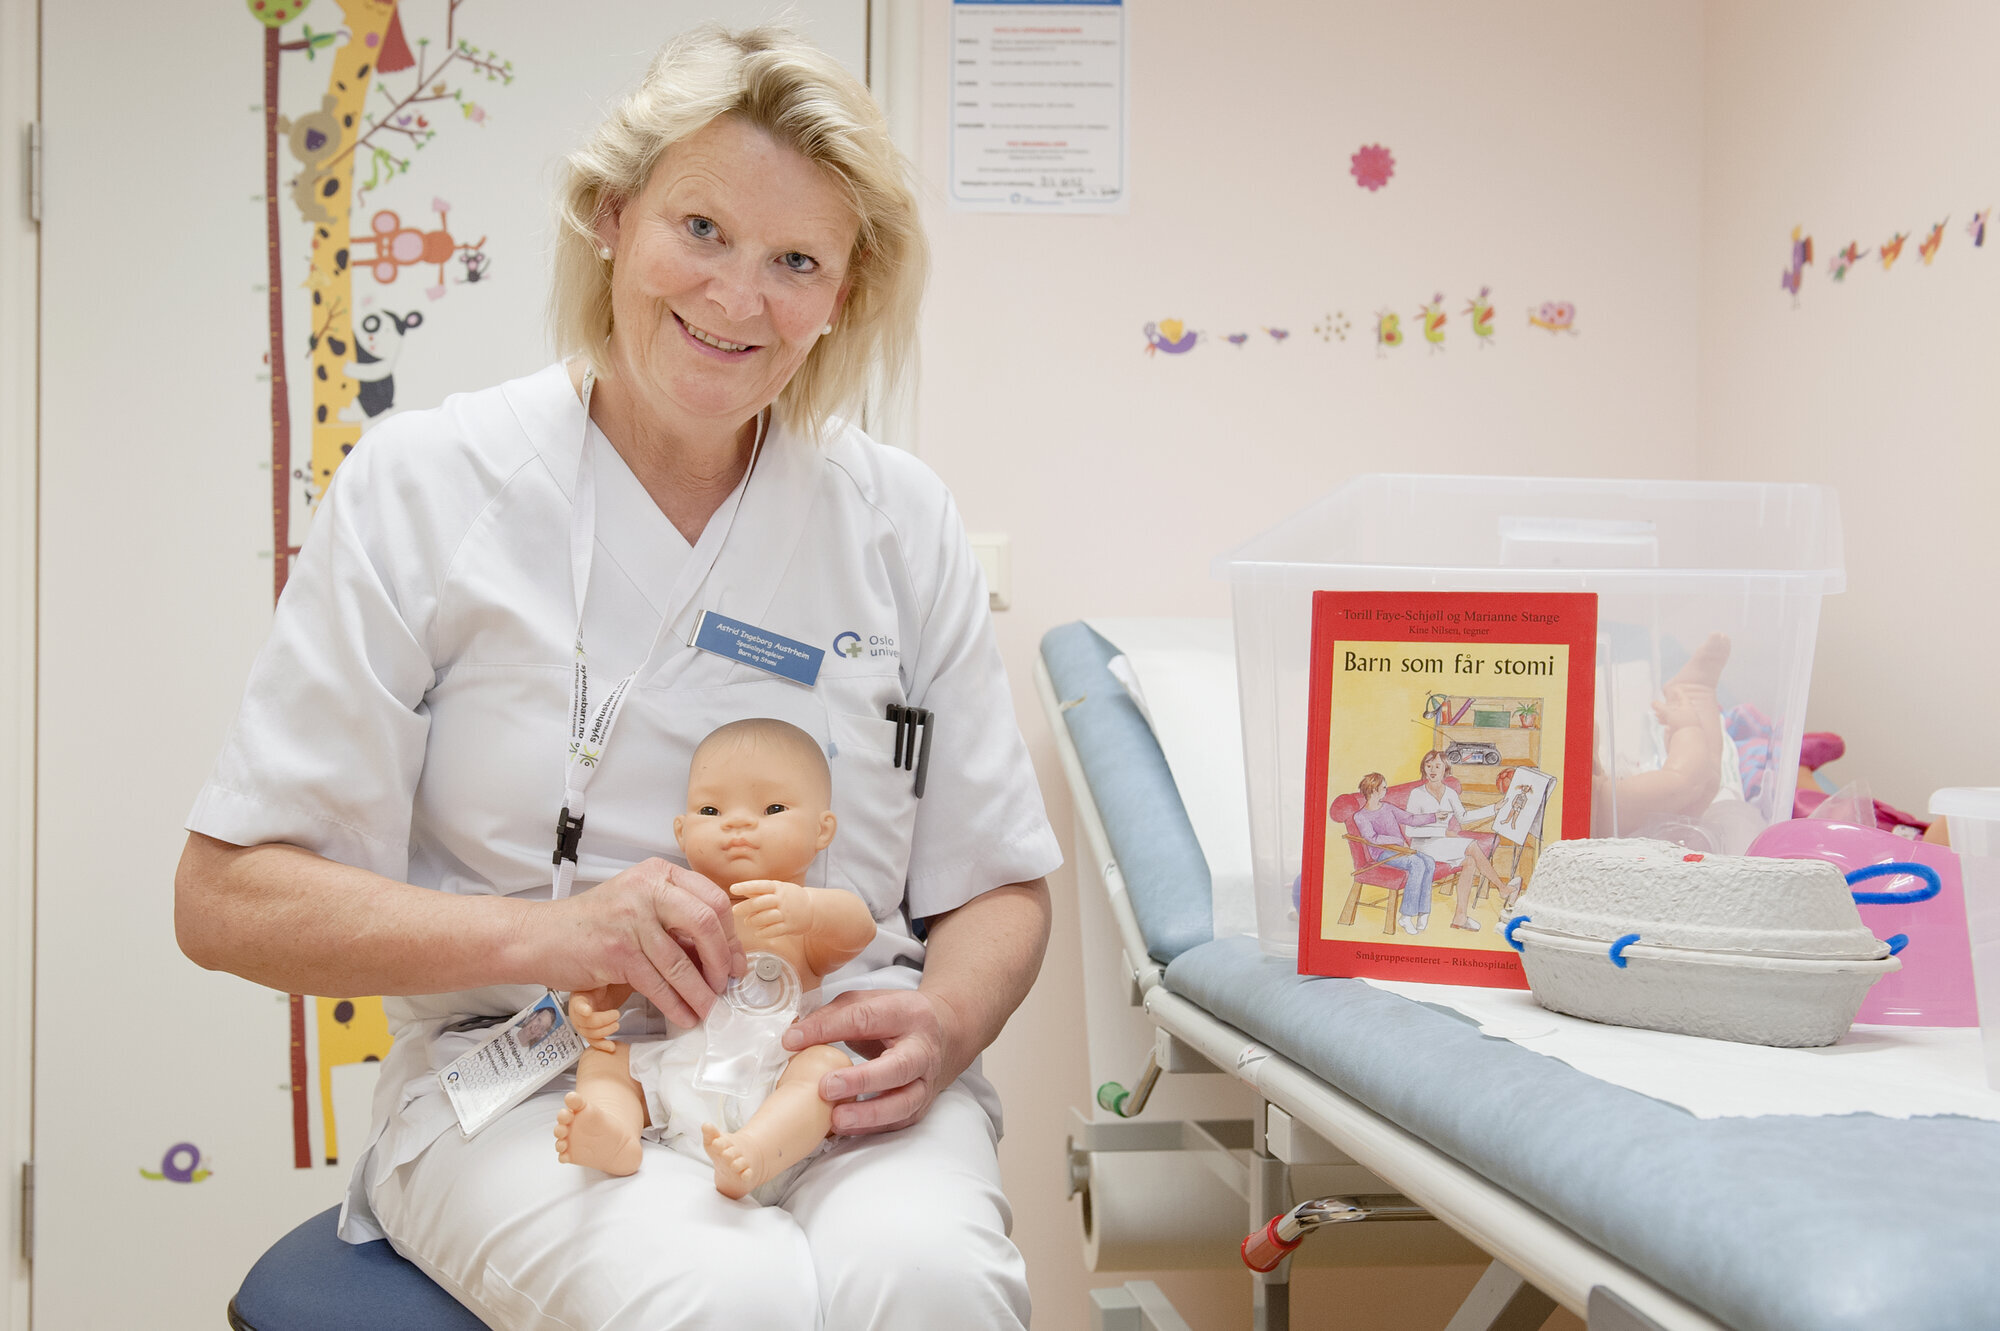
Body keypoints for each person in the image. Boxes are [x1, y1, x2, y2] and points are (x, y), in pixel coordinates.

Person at [174, 24, 1058, 1330]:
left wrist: (946, 1021)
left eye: (795, 261)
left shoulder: (896, 518)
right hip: (527, 1077)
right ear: (612, 214)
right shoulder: (429, 488)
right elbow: (226, 897)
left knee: (928, 1286)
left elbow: (996, 881)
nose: (736, 296)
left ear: (844, 295)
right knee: (728, 1292)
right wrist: (552, 933)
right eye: (699, 228)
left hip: (821, 1057)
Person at [554, 717, 877, 1202]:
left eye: (771, 807)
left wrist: (807, 908)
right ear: (682, 833)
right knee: (605, 1061)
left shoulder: (801, 920)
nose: (738, 822)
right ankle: (613, 1131)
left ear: (822, 829)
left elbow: (860, 929)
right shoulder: (673, 914)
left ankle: (757, 1151)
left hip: (774, 1078)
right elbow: (622, 972)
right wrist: (592, 1005)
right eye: (711, 809)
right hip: (679, 1070)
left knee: (825, 1066)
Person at [1405, 750, 1520, 929]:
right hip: (1422, 845)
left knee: (1469, 863)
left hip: (1441, 843)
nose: (1433, 770)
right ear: (1424, 769)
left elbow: (1464, 817)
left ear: (1445, 769)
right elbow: (1410, 831)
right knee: (1471, 845)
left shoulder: (1449, 793)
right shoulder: (1416, 794)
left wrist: (1494, 808)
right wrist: (1442, 833)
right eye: (1428, 766)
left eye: (1437, 766)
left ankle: (1460, 917)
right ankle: (1502, 889)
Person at [1349, 773, 1440, 935]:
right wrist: (1397, 841)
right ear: (1374, 790)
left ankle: (1423, 911)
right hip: (1383, 854)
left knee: (1429, 862)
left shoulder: (1388, 807)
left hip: (1401, 851)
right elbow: (1372, 838)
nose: (1386, 790)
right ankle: (1406, 916)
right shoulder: (1360, 816)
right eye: (1384, 787)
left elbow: (1410, 819)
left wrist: (1434, 817)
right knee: (1417, 863)